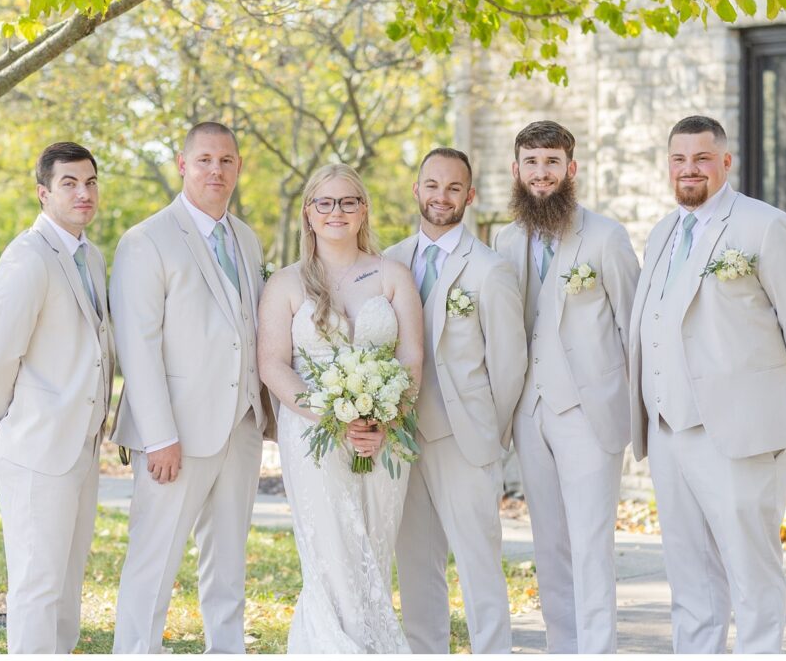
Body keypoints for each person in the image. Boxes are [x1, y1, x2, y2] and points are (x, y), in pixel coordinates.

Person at [628, 115, 786, 653]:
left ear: (725, 162)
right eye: (678, 159)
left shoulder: (763, 225)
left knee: (751, 572)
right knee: (690, 579)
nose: (688, 169)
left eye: (700, 158)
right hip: (668, 430)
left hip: (741, 431)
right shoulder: (663, 231)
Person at [109, 122, 274, 653]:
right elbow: (138, 347)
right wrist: (159, 436)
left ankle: (226, 649)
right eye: (204, 160)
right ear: (182, 165)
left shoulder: (245, 238)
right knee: (155, 559)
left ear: (239, 167)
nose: (215, 171)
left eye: (226, 161)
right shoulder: (145, 240)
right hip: (174, 432)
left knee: (227, 559)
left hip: (241, 425)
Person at [257, 163, 424, 653]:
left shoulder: (393, 274)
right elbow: (273, 364)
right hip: (311, 435)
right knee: (331, 552)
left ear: (363, 210)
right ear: (309, 213)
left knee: (372, 547)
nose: (337, 211)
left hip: (385, 435)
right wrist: (333, 414)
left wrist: (383, 420)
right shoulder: (286, 283)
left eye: (348, 201)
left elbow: (412, 358)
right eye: (324, 203)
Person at [493, 121, 639, 653]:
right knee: (548, 543)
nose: (541, 173)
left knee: (591, 542)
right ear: (516, 171)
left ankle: (597, 650)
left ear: (570, 169)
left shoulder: (606, 236)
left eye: (551, 162)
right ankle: (561, 645)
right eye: (530, 163)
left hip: (588, 411)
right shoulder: (504, 240)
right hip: (528, 413)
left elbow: (634, 328)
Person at [385, 148, 526, 653]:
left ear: (470, 195)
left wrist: (489, 433)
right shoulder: (388, 261)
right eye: (431, 185)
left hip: (465, 440)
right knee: (416, 566)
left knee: (478, 565)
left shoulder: (490, 270)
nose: (440, 197)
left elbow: (509, 366)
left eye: (452, 188)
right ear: (416, 189)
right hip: (400, 441)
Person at [0, 142, 113, 653]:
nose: (84, 193)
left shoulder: (91, 256)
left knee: (66, 584)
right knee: (37, 584)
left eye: (91, 182)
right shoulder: (27, 257)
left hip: (82, 444)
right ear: (43, 193)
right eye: (69, 184)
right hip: (36, 446)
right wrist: (4, 424)